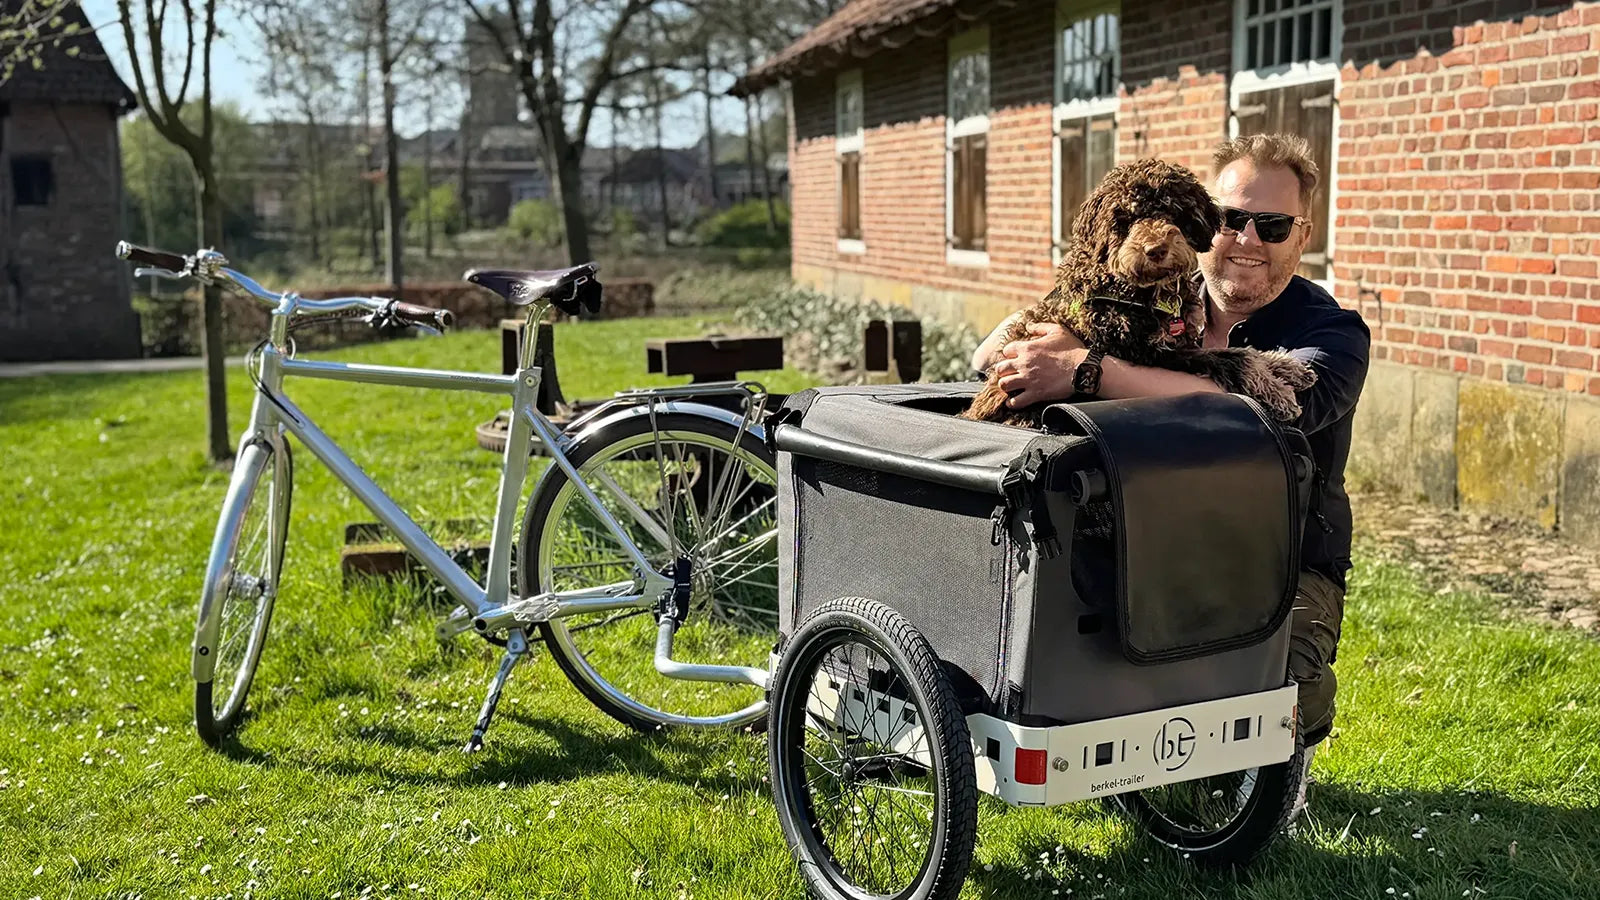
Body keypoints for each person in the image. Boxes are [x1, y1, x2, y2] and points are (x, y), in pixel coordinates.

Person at [973, 133, 1370, 818]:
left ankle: (1283, 756)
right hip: (1134, 534)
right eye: (1229, 218)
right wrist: (1044, 343)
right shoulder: (1140, 285)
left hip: (1274, 555)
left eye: (1270, 225)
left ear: (1303, 233)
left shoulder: (1333, 332)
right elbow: (991, 354)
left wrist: (1089, 372)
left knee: (1277, 689)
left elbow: (1271, 410)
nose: (1245, 239)